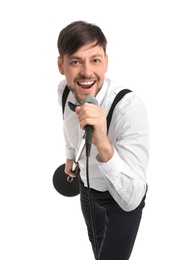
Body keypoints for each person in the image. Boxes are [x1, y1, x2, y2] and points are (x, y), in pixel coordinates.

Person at [57, 20, 149, 260]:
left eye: (95, 60)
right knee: (97, 248)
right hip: (87, 190)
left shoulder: (129, 107)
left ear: (106, 62)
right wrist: (70, 155)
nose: (87, 72)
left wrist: (102, 143)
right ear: (61, 65)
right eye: (76, 61)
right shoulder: (64, 90)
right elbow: (68, 125)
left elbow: (133, 197)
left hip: (121, 201)